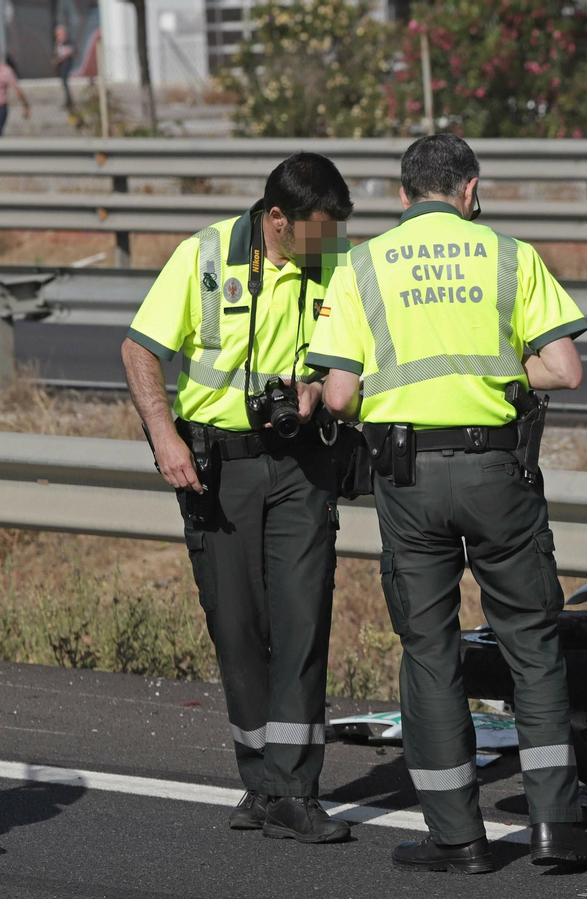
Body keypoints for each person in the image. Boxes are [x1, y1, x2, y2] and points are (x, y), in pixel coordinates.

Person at [308, 133, 587, 872]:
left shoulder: (361, 266)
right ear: (470, 190)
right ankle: (556, 827)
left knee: (430, 651)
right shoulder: (510, 255)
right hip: (497, 474)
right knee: (532, 645)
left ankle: (458, 837)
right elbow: (566, 369)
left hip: (407, 477)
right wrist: (500, 370)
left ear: (403, 193)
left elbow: (340, 395)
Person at [120, 153, 355, 844]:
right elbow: (139, 350)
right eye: (317, 230)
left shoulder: (337, 261)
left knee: (302, 621)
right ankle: (262, 783)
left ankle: (295, 789)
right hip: (219, 468)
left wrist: (322, 388)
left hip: (304, 463)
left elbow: (365, 354)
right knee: (237, 626)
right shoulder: (204, 256)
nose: (330, 242)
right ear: (276, 219)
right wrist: (164, 436)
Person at [53, 24, 75, 112]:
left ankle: (69, 101)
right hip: (61, 65)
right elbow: (57, 52)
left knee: (65, 82)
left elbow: (66, 53)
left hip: (66, 64)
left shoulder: (68, 42)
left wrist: (58, 60)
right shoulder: (59, 43)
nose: (57, 36)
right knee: (63, 83)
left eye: (58, 34)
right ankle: (67, 100)